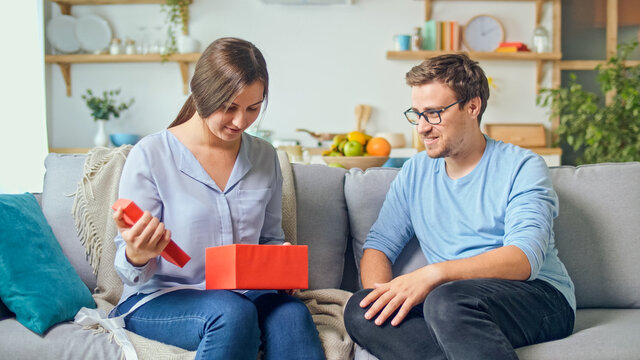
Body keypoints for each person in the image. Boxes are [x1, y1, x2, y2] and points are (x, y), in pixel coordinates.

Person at [343, 53, 576, 359]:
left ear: (472, 106)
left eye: (434, 113)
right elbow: (379, 246)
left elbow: (524, 259)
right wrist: (386, 298)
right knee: (361, 310)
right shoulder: (415, 173)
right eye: (417, 114)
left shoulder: (522, 165)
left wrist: (433, 274)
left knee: (446, 301)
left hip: (539, 297)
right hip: (451, 304)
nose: (422, 127)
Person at [109, 37, 324, 360]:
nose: (241, 121)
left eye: (253, 108)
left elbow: (269, 239)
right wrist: (137, 253)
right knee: (231, 312)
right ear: (200, 94)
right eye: (229, 108)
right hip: (162, 297)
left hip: (244, 293)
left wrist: (280, 266)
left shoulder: (265, 157)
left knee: (291, 315)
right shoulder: (151, 155)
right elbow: (130, 271)